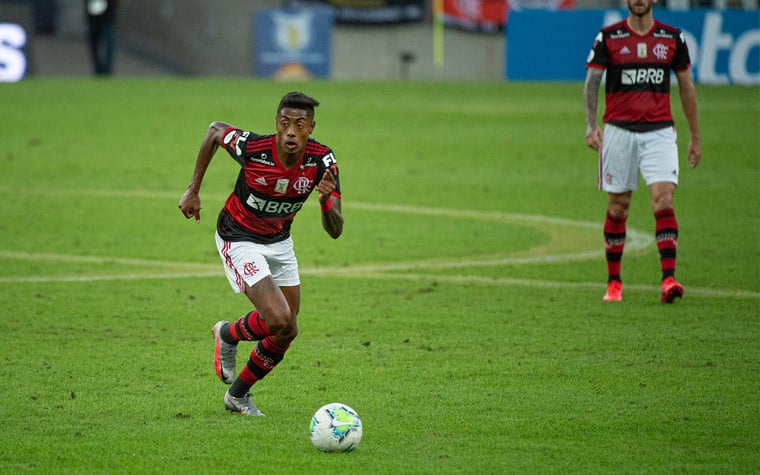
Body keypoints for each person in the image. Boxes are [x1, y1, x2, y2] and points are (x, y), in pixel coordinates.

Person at [178, 92, 343, 415]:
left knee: (288, 330)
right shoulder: (254, 149)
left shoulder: (323, 162)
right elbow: (214, 130)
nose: (291, 132)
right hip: (238, 236)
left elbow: (335, 230)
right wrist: (193, 189)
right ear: (277, 125)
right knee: (278, 318)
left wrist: (325, 202)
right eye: (285, 124)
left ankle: (237, 394)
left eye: (299, 124)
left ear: (311, 127)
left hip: (280, 241)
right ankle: (228, 334)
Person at [584, 0, 701, 303]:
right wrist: (590, 123)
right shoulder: (608, 38)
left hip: (659, 132)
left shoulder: (672, 38)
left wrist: (695, 136)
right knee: (618, 206)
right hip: (619, 132)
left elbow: (687, 86)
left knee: (663, 198)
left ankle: (668, 279)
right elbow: (592, 81)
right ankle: (613, 283)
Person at [84, 0, 119, 75]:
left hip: (108, 18)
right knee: (94, 46)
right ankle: (98, 70)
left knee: (108, 45)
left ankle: (107, 70)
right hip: (93, 19)